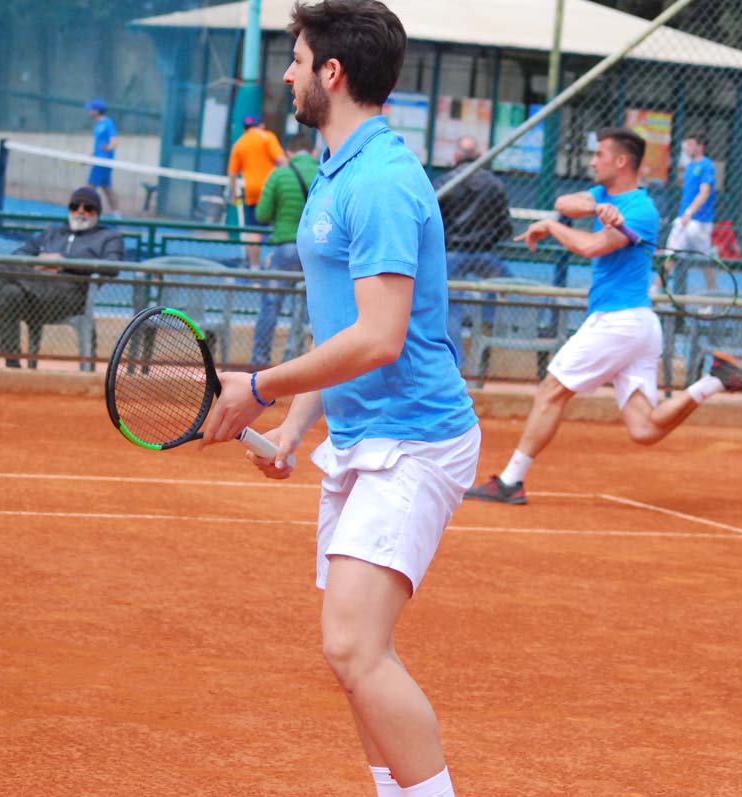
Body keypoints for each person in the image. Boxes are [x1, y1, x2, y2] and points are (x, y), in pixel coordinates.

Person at [201, 3, 479, 795]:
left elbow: (380, 337)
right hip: (361, 435)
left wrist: (259, 387)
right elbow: (341, 327)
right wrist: (295, 423)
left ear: (332, 72)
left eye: (296, 60)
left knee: (354, 645)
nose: (287, 74)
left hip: (415, 436)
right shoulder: (335, 170)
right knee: (353, 655)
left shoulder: (381, 181)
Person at [465, 127, 742, 505]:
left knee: (551, 390)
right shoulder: (602, 195)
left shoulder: (641, 211)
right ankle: (714, 381)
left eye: (600, 155)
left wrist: (552, 227)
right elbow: (564, 201)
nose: (593, 161)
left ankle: (510, 481)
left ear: (621, 161)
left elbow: (592, 246)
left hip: (618, 323)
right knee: (644, 429)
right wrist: (596, 208)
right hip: (637, 326)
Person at [0, 186, 122, 366]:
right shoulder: (53, 232)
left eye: (88, 207)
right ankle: (12, 364)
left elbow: (113, 267)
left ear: (97, 212)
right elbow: (19, 254)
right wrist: (38, 262)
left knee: (5, 267)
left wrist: (64, 261)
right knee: (9, 293)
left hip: (71, 299)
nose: (80, 211)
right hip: (35, 296)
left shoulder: (108, 237)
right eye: (75, 206)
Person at [431, 134, 514, 371]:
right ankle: (484, 353)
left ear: (456, 156)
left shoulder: (444, 182)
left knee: (450, 306)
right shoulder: (494, 184)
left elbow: (433, 224)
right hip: (485, 254)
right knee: (503, 291)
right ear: (479, 156)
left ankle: (456, 365)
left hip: (451, 253)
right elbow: (504, 227)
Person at [249, 132, 319, 366]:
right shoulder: (324, 174)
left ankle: (260, 358)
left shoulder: (279, 174)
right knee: (309, 307)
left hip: (285, 247)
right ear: (312, 152)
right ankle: (298, 359)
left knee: (271, 304)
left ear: (288, 152)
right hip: (315, 250)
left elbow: (261, 214)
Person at [227, 114, 287, 268]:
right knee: (282, 227)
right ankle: (278, 264)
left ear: (245, 129)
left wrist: (233, 194)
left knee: (253, 231)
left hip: (252, 191)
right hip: (272, 189)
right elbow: (282, 160)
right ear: (261, 126)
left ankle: (254, 268)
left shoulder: (239, 143)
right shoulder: (267, 137)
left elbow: (232, 174)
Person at [667, 131, 717, 289]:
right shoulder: (689, 167)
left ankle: (712, 291)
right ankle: (656, 289)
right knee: (672, 254)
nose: (687, 148)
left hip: (699, 222)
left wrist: (689, 212)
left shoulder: (706, 165)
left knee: (704, 259)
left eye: (690, 145)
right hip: (683, 220)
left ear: (700, 147)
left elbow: (704, 193)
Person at [84, 98, 120, 216]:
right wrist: (90, 156)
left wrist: (108, 147)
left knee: (89, 189)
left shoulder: (108, 123)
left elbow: (114, 141)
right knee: (107, 188)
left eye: (90, 109)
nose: (88, 111)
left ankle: (84, 213)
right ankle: (117, 215)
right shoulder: (98, 125)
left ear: (96, 111)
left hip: (103, 162)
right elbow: (99, 145)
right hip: (98, 161)